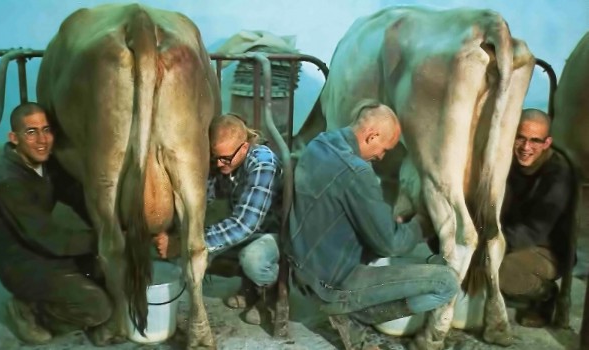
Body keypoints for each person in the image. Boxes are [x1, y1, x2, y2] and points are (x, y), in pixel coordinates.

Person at [286, 99, 460, 350]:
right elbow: (390, 244)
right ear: (371, 135)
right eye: (385, 148)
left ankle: (346, 311)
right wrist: (422, 224)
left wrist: (385, 222)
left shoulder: (320, 143)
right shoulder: (358, 172)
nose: (381, 155)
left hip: (302, 271)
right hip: (332, 284)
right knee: (446, 283)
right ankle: (354, 316)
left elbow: (337, 209)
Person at [0, 102, 111, 345]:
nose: (42, 140)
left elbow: (75, 196)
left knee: (106, 273)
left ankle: (54, 301)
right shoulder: (5, 181)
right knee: (98, 308)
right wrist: (105, 238)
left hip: (44, 250)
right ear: (14, 138)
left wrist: (110, 218)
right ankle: (30, 310)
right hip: (19, 263)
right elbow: (51, 238)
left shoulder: (44, 165)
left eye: (47, 130)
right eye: (31, 132)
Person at [154, 113, 282, 325]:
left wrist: (187, 243)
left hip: (273, 233)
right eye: (215, 158)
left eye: (225, 159)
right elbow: (205, 198)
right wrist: (172, 227)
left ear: (244, 147)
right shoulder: (226, 160)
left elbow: (245, 224)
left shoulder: (262, 163)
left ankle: (275, 292)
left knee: (253, 260)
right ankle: (250, 287)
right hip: (248, 230)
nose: (220, 165)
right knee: (199, 253)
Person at [499, 108, 576, 328]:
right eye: (520, 138)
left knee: (499, 270)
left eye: (535, 141)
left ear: (547, 143)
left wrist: (491, 243)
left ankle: (545, 295)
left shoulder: (558, 174)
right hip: (515, 239)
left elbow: (534, 231)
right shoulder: (507, 161)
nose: (525, 147)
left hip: (547, 249)